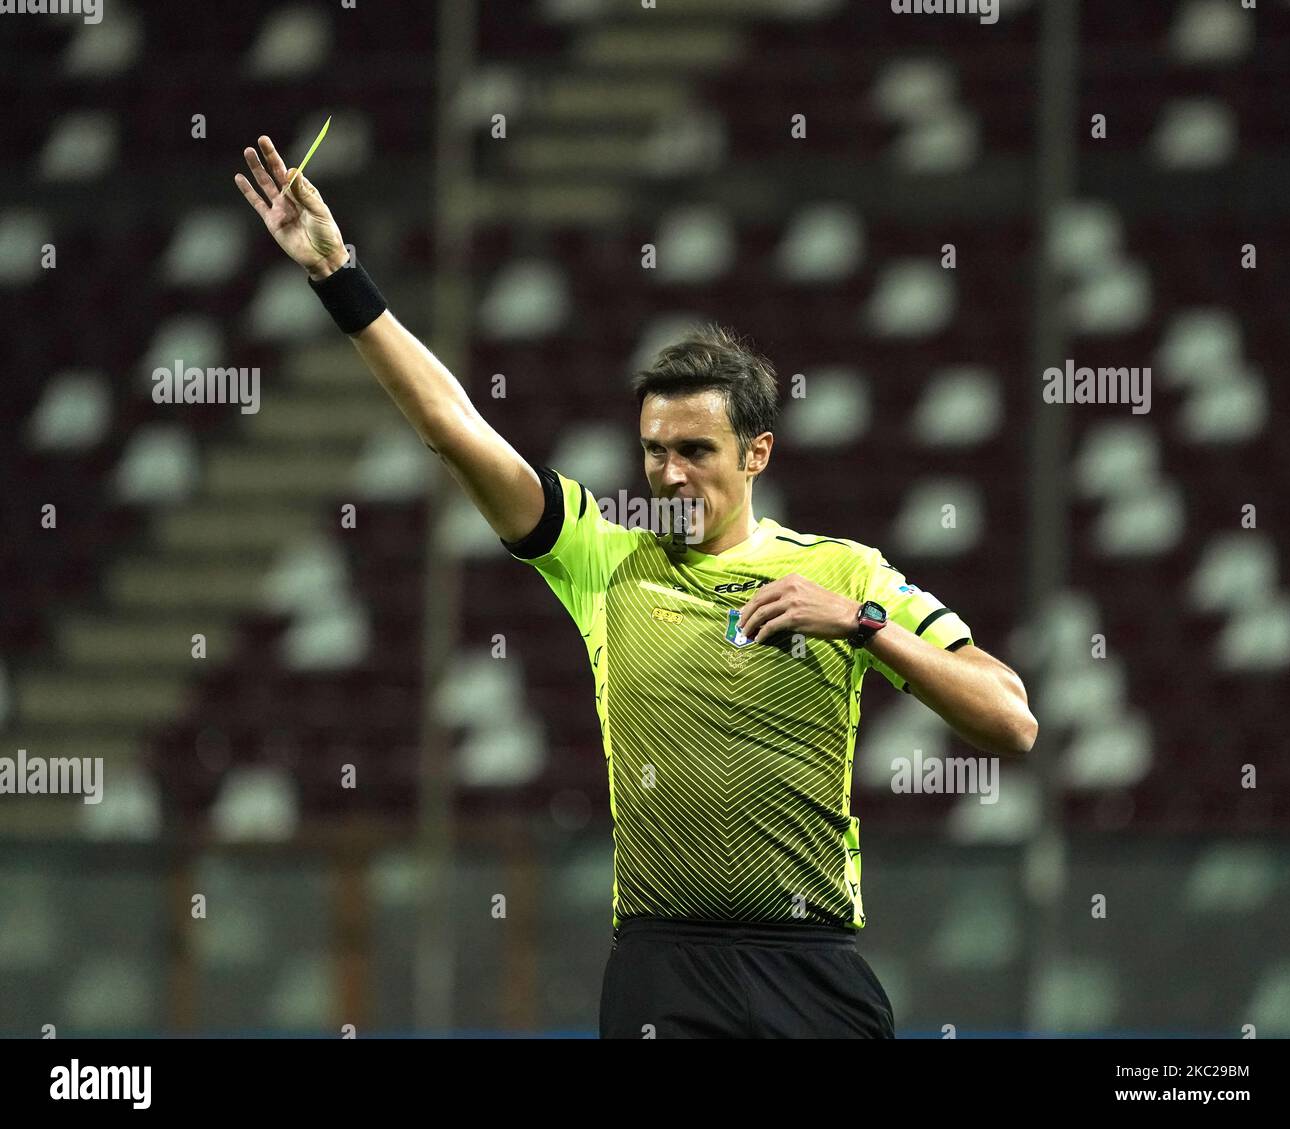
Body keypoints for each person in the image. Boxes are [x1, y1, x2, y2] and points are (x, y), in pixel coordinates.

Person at [236, 136, 1039, 1039]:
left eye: (696, 449)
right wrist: (338, 275)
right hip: (664, 970)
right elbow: (453, 426)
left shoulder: (845, 572)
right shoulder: (601, 555)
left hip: (812, 966)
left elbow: (1012, 719)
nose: (669, 473)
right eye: (655, 451)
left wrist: (863, 624)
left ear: (757, 453)